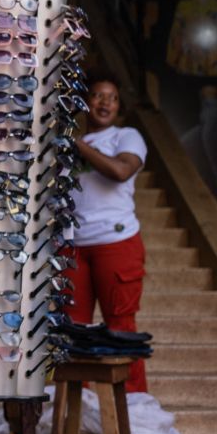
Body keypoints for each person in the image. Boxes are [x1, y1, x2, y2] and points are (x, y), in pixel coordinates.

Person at [68, 72, 149, 392]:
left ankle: (135, 417)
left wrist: (75, 143)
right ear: (85, 103)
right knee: (73, 334)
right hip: (73, 246)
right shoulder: (66, 144)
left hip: (116, 242)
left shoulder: (126, 137)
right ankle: (75, 416)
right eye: (98, 96)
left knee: (122, 329)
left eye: (112, 97)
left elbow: (120, 171)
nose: (105, 103)